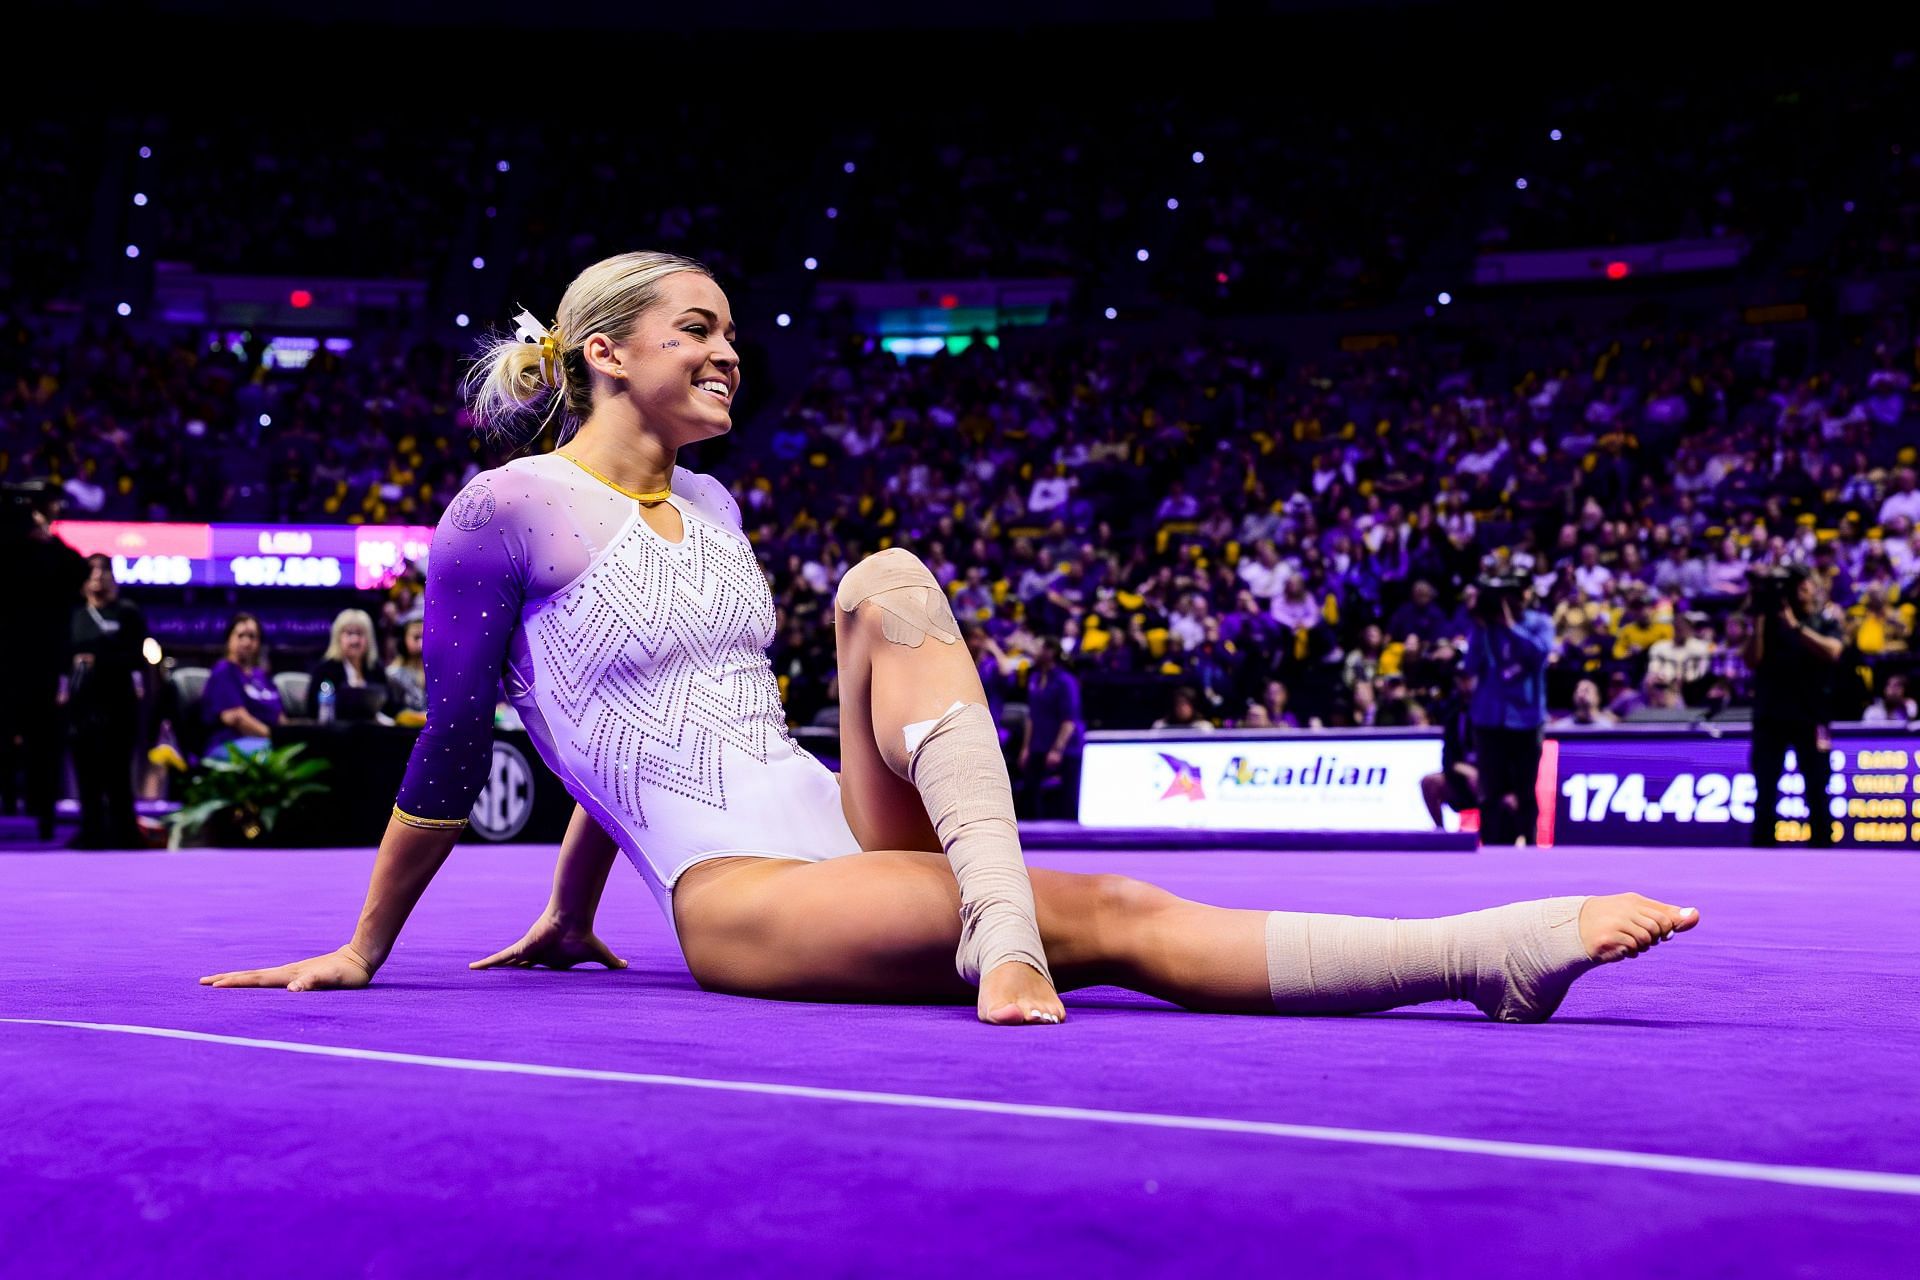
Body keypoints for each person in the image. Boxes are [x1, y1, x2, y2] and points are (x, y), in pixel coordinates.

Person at [203, 251, 1698, 1026]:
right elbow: (466, 738)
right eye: (699, 331)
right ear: (607, 353)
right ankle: (1477, 958)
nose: (732, 354)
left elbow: (663, 704)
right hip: (743, 894)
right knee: (1098, 910)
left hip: (835, 819)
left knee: (892, 575)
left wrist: (571, 908)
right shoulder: (502, 511)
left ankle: (992, 919)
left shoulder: (715, 502)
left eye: (733, 335)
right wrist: (362, 946)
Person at [0, 482, 88, 840]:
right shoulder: (8, 548)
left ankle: (45, 814)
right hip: (5, 660)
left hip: (44, 663)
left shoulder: (55, 557)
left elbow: (78, 571)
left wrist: (47, 537)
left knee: (45, 742)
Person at [1744, 567, 1843, 848]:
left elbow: (1833, 651)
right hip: (1770, 715)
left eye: (1804, 585)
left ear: (1813, 588)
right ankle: (1762, 851)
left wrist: (1795, 627)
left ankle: (1823, 848)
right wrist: (1760, 622)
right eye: (1795, 586)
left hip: (1812, 715)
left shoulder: (1823, 621)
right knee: (1764, 788)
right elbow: (1752, 660)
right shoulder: (1771, 623)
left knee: (1817, 787)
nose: (1801, 590)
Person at [64, 555, 150, 849]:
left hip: (118, 701)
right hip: (82, 704)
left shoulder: (126, 612)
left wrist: (99, 660)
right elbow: (61, 658)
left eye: (105, 570)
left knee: (117, 771)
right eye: (93, 571)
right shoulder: (74, 615)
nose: (99, 576)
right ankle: (91, 829)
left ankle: (125, 831)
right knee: (87, 769)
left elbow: (136, 657)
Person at [1461, 580, 1556, 845]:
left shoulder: (1539, 623)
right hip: (1489, 718)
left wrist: (1510, 626)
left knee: (1526, 790)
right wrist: (1478, 626)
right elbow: (1470, 665)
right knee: (1489, 791)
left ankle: (1530, 841)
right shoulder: (1485, 628)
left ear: (1523, 597)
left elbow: (1539, 655)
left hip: (1526, 718)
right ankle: (1490, 846)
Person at [1015, 638, 1083, 820]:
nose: (1032, 651)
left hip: (1066, 746)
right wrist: (1026, 748)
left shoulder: (1065, 680)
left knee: (1068, 798)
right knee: (1031, 792)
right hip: (1039, 743)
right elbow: (1031, 716)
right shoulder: (1035, 678)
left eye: (1037, 647)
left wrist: (1057, 749)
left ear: (1050, 652)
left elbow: (1069, 720)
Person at [202, 614, 283, 759]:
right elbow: (238, 719)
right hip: (228, 744)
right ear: (229, 640)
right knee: (275, 755)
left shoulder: (261, 676)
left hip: (265, 742)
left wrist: (293, 736)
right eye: (240, 636)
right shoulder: (224, 671)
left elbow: (280, 717)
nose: (246, 642)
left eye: (252, 636)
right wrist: (276, 738)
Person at [306, 609, 393, 723]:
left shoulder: (376, 669)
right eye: (349, 633)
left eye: (360, 633)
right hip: (336, 734)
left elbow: (390, 706)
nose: (355, 640)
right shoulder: (325, 670)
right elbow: (312, 709)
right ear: (338, 637)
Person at [385, 617, 429, 715]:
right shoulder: (393, 674)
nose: (422, 643)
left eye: (426, 637)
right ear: (403, 640)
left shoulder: (441, 675)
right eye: (416, 637)